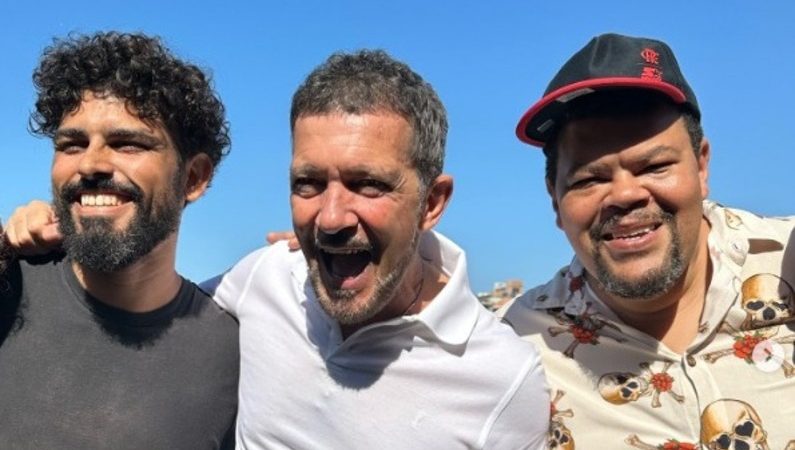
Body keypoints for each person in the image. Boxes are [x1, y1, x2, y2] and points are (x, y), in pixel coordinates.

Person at [6, 49, 549, 448]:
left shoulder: (501, 380)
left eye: (367, 185)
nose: (331, 218)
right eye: (308, 184)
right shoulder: (263, 282)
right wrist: (14, 240)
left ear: (432, 202)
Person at [500, 32, 795, 449]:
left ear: (701, 167)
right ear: (555, 200)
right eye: (589, 179)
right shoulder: (516, 349)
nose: (625, 195)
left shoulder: (787, 260)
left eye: (654, 167)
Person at [0, 32, 238, 449]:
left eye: (127, 143)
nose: (91, 164)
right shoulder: (8, 288)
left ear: (193, 178)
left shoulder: (233, 353)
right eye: (72, 144)